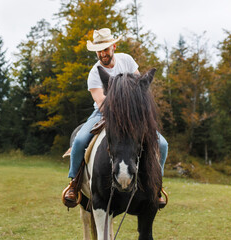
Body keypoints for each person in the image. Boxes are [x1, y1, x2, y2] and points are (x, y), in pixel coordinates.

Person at [64, 28, 168, 207]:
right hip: (103, 111)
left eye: (105, 48)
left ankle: (157, 185)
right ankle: (73, 183)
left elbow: (138, 89)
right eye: (99, 50)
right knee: (80, 141)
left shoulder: (126, 60)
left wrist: (133, 110)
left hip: (132, 112)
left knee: (163, 144)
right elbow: (101, 101)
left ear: (113, 46)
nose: (102, 53)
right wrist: (119, 110)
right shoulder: (94, 73)